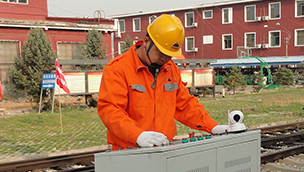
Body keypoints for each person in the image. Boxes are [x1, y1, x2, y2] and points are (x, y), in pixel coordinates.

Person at [98, 14, 229, 150]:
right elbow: (111, 111)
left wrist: (213, 127)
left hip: (163, 149)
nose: (165, 58)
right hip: (128, 151)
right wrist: (138, 136)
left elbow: (185, 105)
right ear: (146, 42)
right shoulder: (118, 69)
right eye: (161, 52)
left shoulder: (170, 69)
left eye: (169, 54)